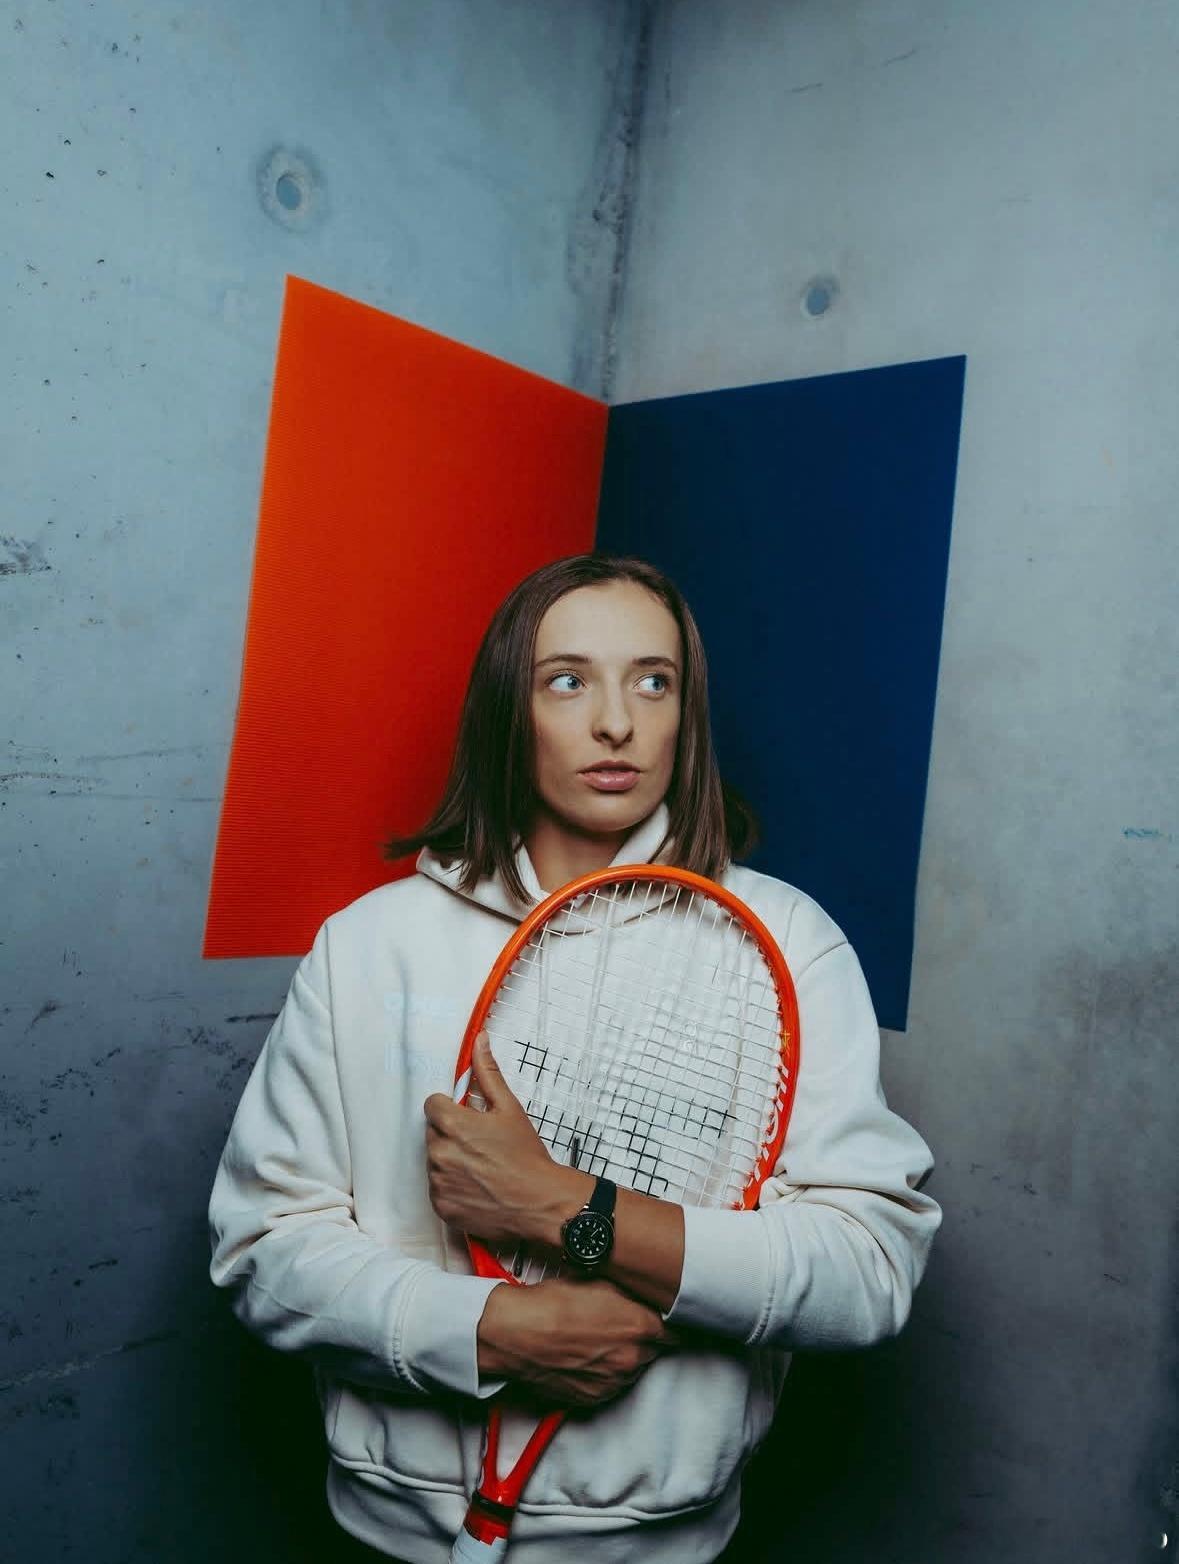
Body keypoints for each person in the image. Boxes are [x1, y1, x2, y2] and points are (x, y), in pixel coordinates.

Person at [208, 554, 941, 1564]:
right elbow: (263, 1246)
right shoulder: (369, 945)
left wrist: (567, 1209)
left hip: (663, 1542)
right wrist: (488, 1329)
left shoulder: (785, 940)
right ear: (509, 712)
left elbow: (867, 1269)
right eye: (567, 681)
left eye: (653, 681)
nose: (616, 723)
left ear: (686, 715)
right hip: (381, 1535)